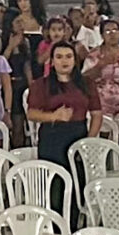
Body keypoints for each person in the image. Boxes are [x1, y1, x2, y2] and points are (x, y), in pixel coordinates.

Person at [23, 40, 92, 168]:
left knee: (78, 180)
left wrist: (89, 141)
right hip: (52, 135)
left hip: (79, 134)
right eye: (59, 57)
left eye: (68, 57)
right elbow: (31, 113)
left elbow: (97, 113)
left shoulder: (86, 83)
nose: (64, 61)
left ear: (74, 60)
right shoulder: (40, 84)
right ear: (52, 62)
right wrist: (54, 116)